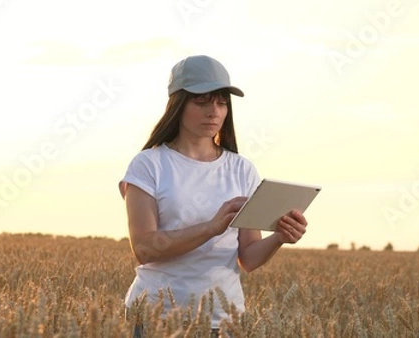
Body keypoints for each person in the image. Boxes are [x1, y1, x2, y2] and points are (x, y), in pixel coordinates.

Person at [118, 55, 308, 337]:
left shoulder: (242, 169)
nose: (214, 112)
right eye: (202, 101)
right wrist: (211, 228)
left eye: (221, 103)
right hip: (157, 318)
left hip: (224, 320)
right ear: (178, 104)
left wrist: (280, 236)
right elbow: (144, 249)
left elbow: (249, 258)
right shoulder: (148, 165)